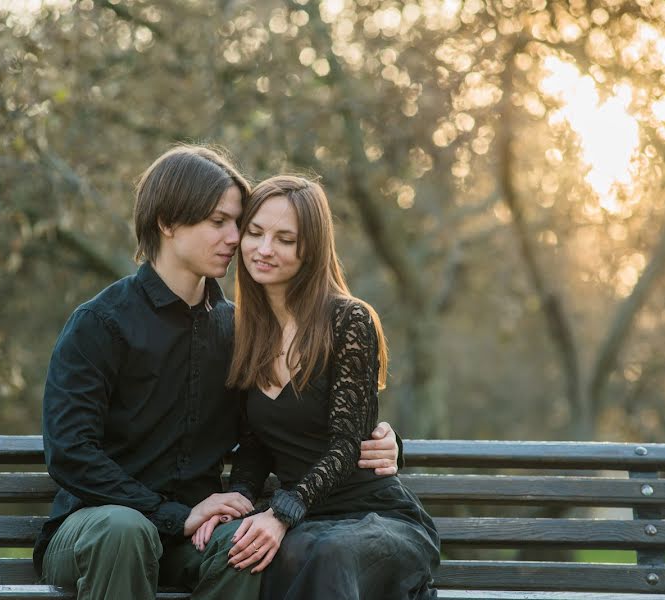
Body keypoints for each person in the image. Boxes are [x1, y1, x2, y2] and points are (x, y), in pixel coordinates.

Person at [33, 146, 402, 600]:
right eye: (218, 222)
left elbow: (276, 427)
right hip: (97, 531)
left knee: (243, 545)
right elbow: (70, 452)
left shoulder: (238, 331)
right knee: (124, 529)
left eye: (237, 223)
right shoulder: (100, 324)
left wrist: (380, 436)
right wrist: (170, 513)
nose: (236, 238)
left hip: (195, 534)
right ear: (168, 223)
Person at [198, 175, 440, 599]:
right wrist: (236, 499)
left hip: (376, 519)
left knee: (323, 554)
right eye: (254, 232)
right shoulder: (244, 332)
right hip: (309, 524)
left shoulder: (349, 321)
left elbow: (347, 445)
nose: (264, 248)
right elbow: (254, 445)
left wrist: (282, 512)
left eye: (285, 239)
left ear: (309, 248)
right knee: (268, 552)